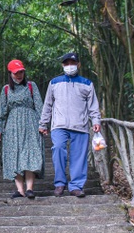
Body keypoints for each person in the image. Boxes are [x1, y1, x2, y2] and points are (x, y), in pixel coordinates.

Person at [38, 52, 101, 197]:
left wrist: (96, 121)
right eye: (66, 63)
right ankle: (60, 183)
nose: (69, 66)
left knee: (79, 156)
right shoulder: (54, 83)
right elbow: (47, 105)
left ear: (78, 64)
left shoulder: (87, 84)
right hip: (59, 125)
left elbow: (93, 106)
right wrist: (43, 124)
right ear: (62, 65)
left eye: (72, 63)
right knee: (58, 149)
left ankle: (76, 186)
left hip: (80, 125)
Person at [0, 59, 45, 199]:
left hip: (30, 123)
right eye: (16, 73)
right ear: (10, 73)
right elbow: (2, 111)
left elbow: (39, 106)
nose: (19, 75)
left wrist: (43, 124)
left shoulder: (31, 86)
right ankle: (20, 190)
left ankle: (30, 189)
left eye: (21, 72)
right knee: (14, 155)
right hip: (12, 125)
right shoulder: (6, 89)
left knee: (30, 153)